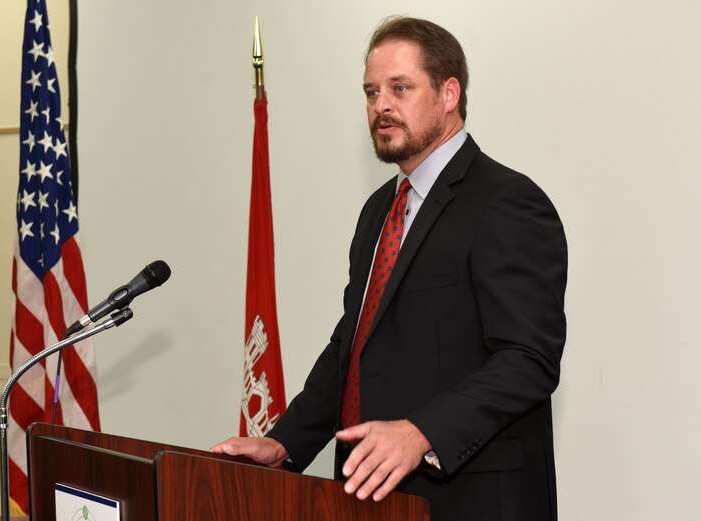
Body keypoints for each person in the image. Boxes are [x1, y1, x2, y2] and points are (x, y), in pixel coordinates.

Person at [212, 16, 567, 521]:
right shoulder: (380, 209)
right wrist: (285, 443)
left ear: (449, 94)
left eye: (400, 88)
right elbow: (353, 347)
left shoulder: (507, 203)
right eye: (371, 91)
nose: (381, 105)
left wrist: (422, 432)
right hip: (369, 497)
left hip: (471, 502)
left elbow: (529, 359)